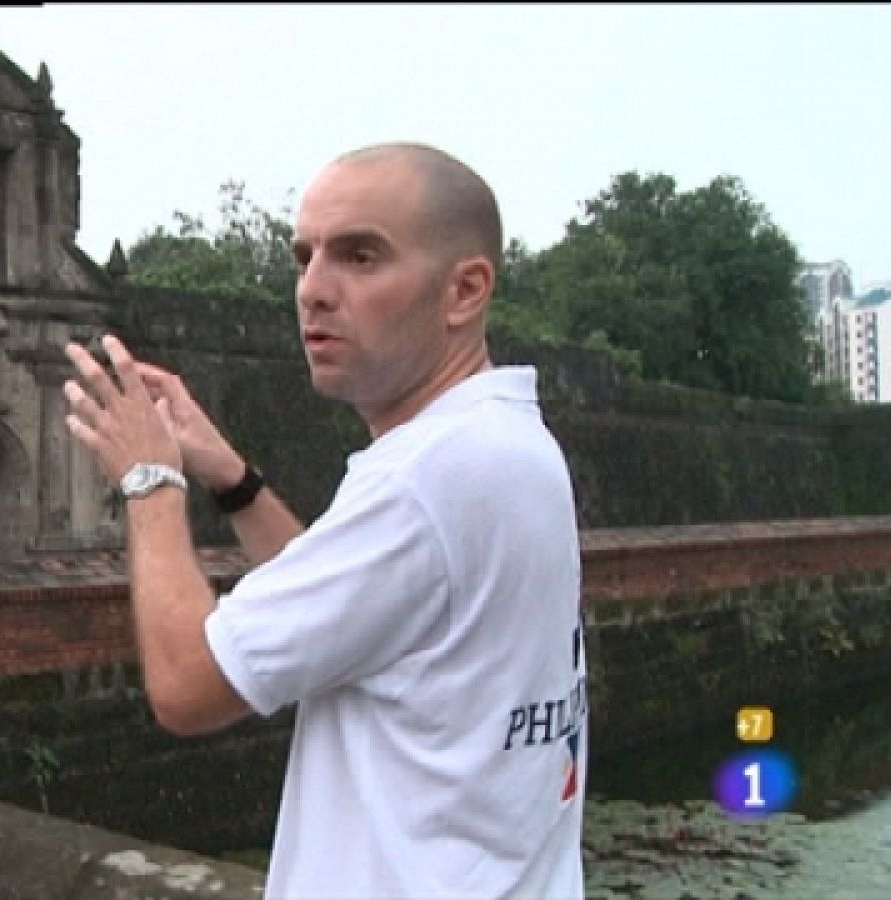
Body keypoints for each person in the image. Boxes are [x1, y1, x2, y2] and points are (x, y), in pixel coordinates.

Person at [62, 142, 586, 899]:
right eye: (304, 257)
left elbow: (186, 686)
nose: (312, 288)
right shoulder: (506, 444)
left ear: (465, 290)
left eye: (360, 257)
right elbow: (355, 608)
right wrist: (230, 476)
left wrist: (151, 482)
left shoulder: (426, 480)